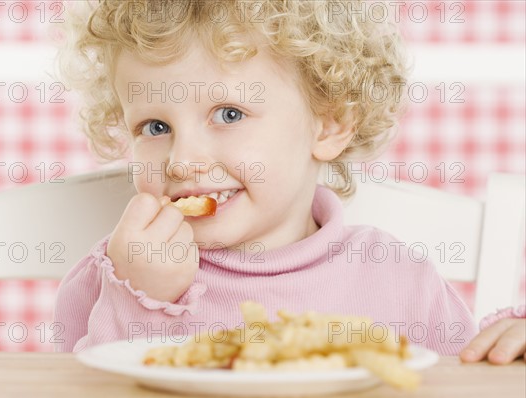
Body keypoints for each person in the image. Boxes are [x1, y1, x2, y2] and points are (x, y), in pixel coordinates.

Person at [53, 0, 525, 362]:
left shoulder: (401, 280)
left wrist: (508, 352)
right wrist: (141, 300)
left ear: (329, 123)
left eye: (228, 113)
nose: (182, 161)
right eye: (155, 127)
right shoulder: (115, 278)